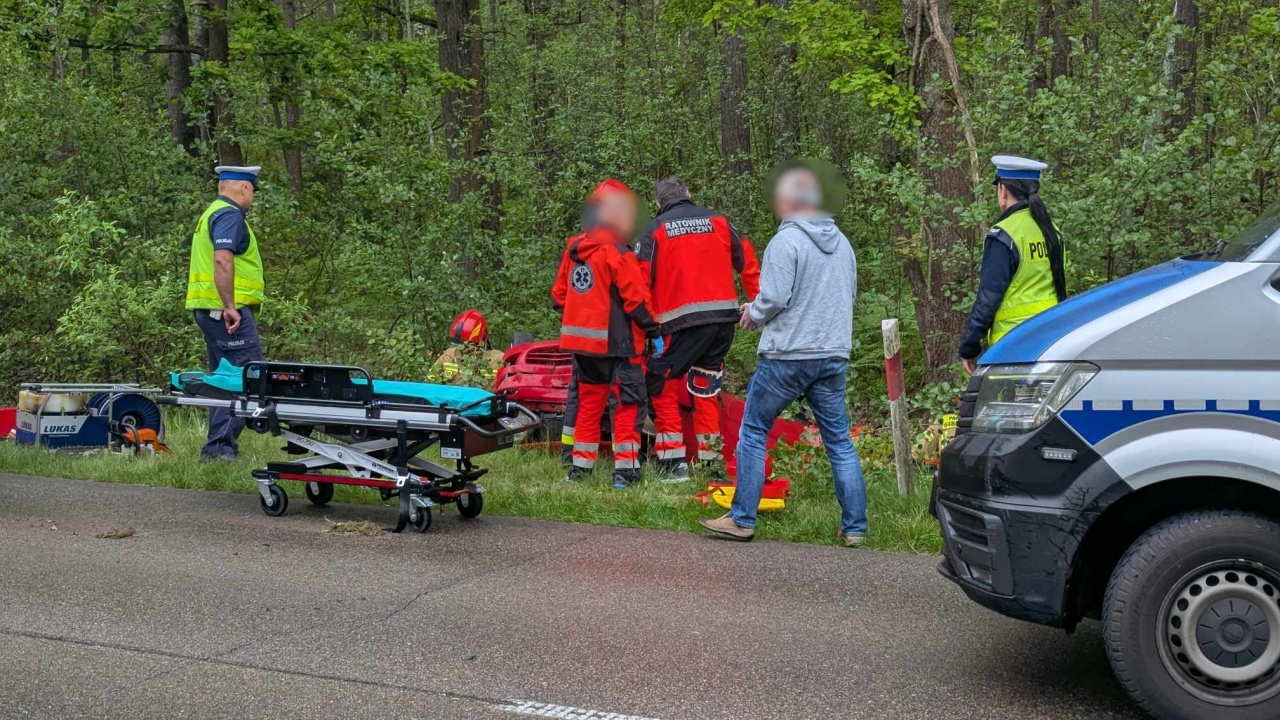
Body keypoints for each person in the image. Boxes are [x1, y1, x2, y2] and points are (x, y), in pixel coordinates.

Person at [699, 164, 867, 545]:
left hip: (788, 354)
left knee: (754, 431)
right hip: (833, 353)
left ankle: (742, 519)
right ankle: (854, 527)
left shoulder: (786, 241)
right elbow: (849, 295)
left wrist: (752, 314)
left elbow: (774, 297)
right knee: (839, 440)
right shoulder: (843, 244)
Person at [635, 177, 760, 480]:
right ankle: (711, 462)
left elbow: (639, 282)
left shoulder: (655, 230)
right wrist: (759, 306)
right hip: (721, 325)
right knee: (705, 389)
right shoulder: (719, 221)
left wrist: (646, 328)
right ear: (689, 195)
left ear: (658, 203)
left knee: (659, 383)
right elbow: (748, 262)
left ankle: (672, 462)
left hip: (679, 326)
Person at [551, 180, 660, 488]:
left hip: (582, 348)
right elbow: (636, 300)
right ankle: (625, 474)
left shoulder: (574, 249)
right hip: (619, 345)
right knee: (626, 405)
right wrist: (655, 330)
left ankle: (580, 470)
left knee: (588, 405)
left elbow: (558, 297)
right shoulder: (617, 251)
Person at [958, 155, 1068, 374]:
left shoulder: (1005, 235)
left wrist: (969, 347)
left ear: (1003, 190)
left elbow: (988, 297)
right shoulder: (1051, 231)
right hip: (1051, 338)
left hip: (1012, 345)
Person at [186, 165, 267, 459]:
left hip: (210, 311)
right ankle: (219, 448)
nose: (252, 198)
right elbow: (222, 260)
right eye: (252, 192)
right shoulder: (230, 215)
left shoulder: (211, 212)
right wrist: (230, 307)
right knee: (247, 376)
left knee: (223, 379)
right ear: (244, 188)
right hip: (226, 314)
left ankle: (218, 447)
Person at [435, 309, 505, 383]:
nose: (462, 349)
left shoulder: (499, 360)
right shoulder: (448, 356)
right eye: (458, 345)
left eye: (467, 345)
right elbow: (430, 380)